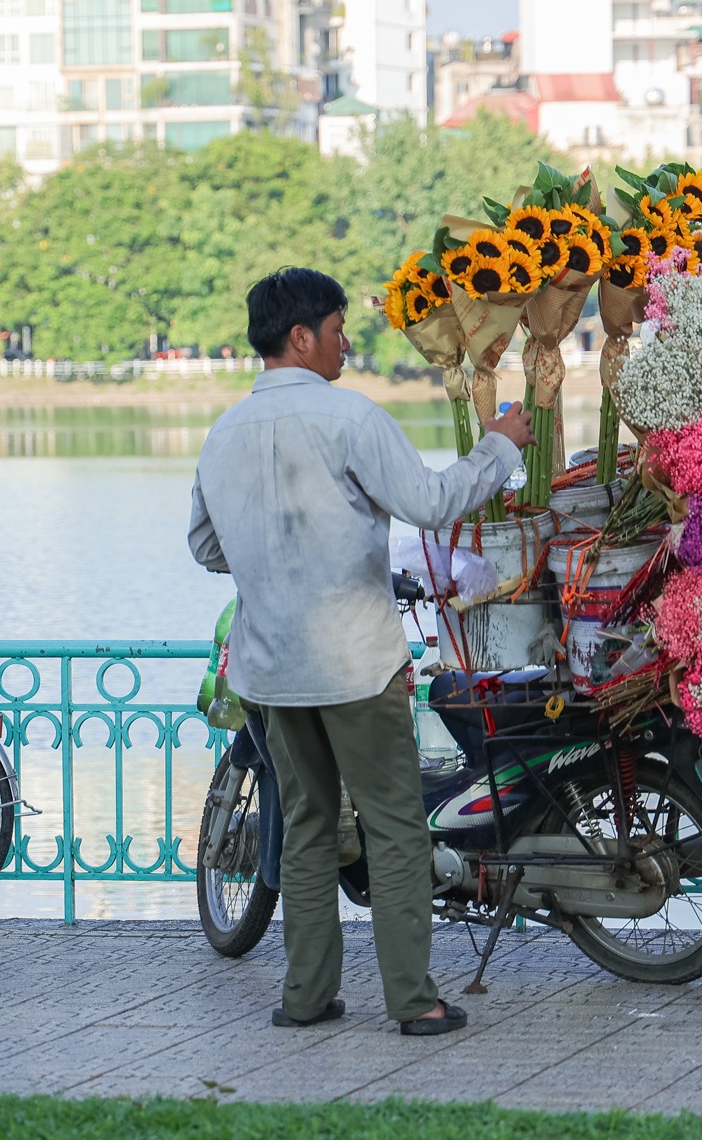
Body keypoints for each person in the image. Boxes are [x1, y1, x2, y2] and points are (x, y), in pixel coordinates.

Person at [187, 267, 534, 1036]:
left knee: (308, 824)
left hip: (269, 669)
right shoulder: (350, 419)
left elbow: (206, 546)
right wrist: (500, 448)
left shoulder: (222, 432)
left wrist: (268, 556)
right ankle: (414, 1001)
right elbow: (432, 503)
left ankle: (306, 998)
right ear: (302, 337)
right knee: (393, 827)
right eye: (340, 330)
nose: (347, 344)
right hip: (355, 662)